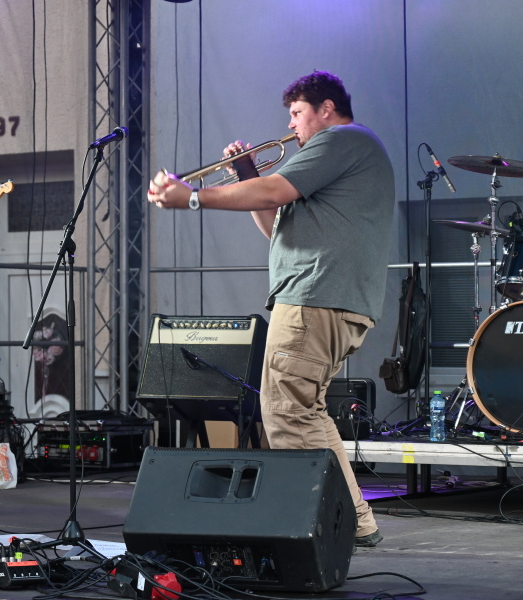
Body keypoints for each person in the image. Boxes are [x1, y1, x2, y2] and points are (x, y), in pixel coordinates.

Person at [146, 71, 394, 547]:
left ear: (326, 109)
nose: (291, 126)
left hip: (313, 298)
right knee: (306, 412)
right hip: (327, 300)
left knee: (284, 413)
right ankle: (353, 522)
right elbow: (276, 228)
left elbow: (274, 192)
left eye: (297, 114)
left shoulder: (340, 140)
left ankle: (321, 530)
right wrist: (248, 175)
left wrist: (192, 197)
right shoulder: (341, 157)